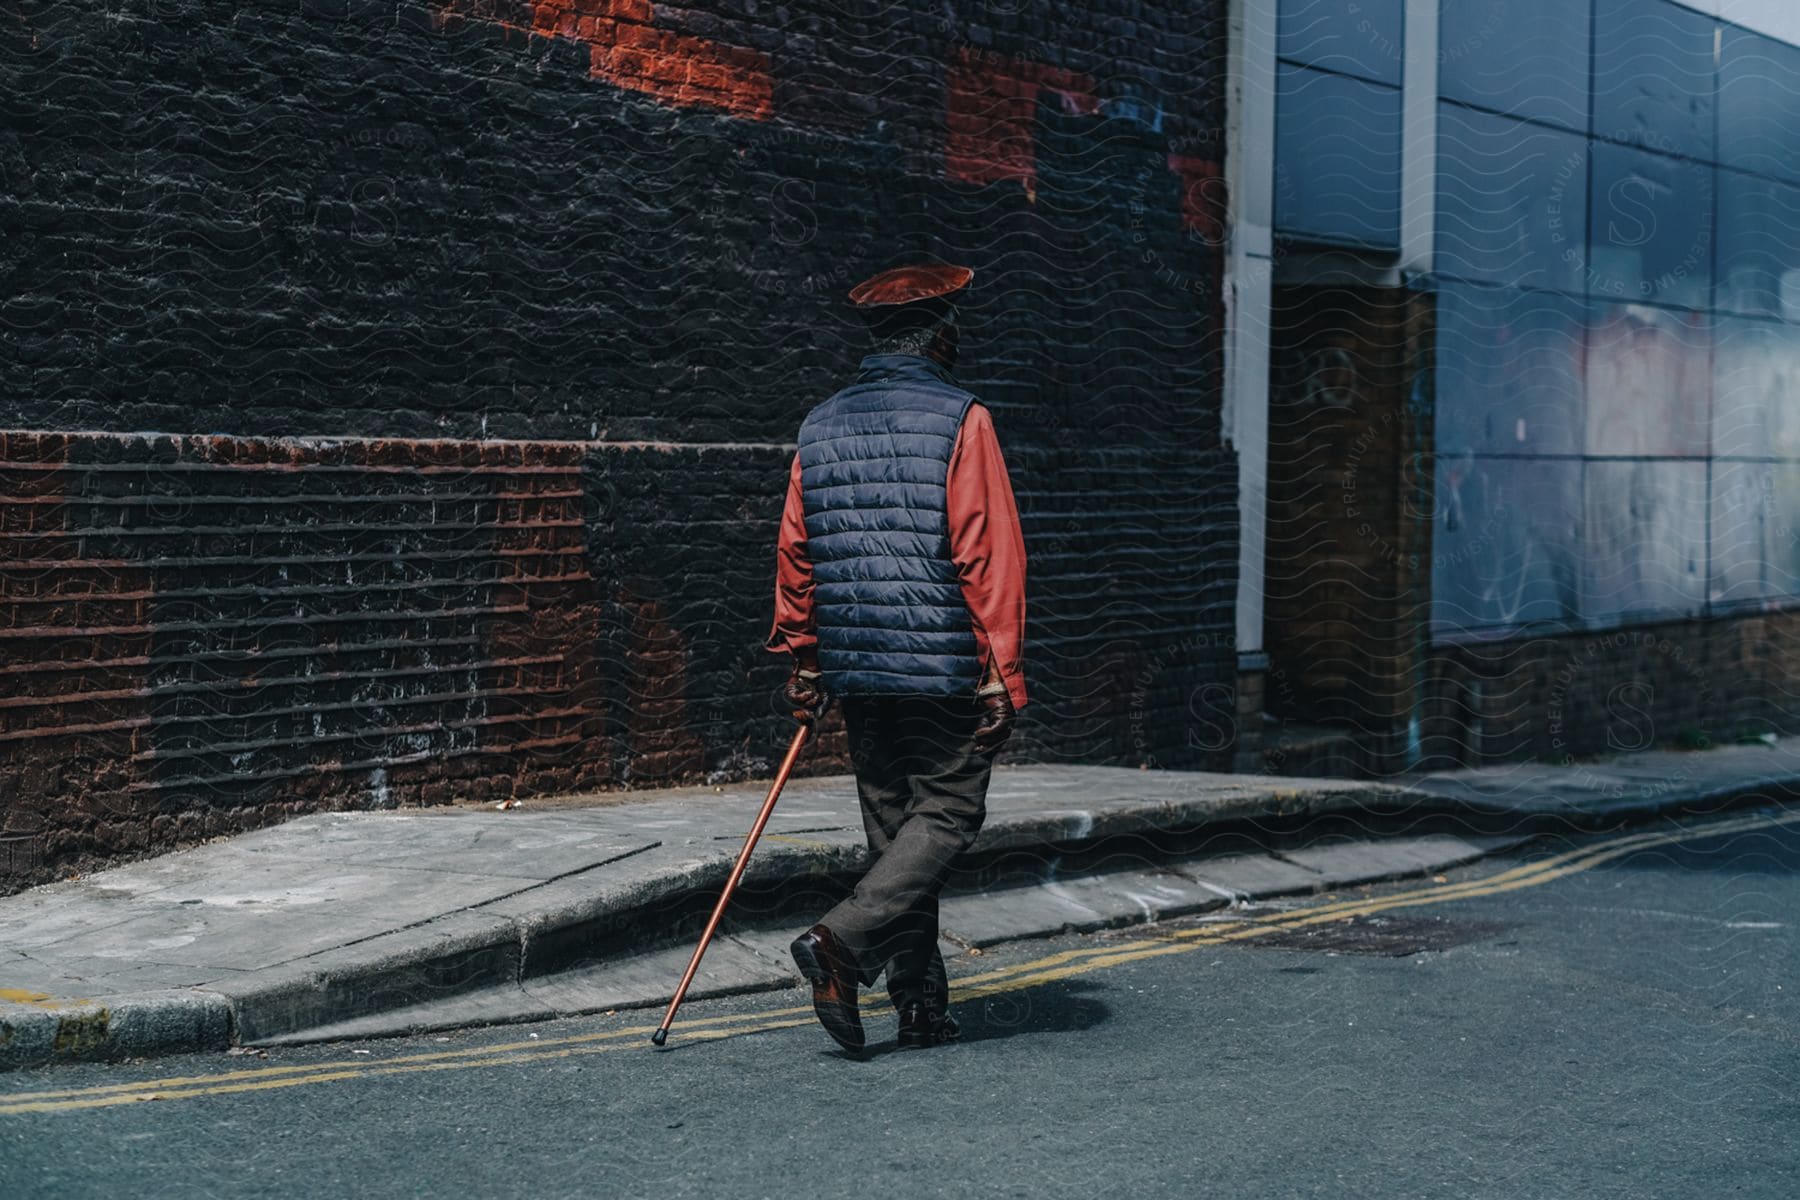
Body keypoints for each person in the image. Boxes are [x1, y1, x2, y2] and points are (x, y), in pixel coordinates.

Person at [765, 260, 1028, 1052]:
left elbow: (795, 554)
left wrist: (804, 660)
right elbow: (989, 553)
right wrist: (1002, 670)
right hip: (942, 665)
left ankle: (917, 1007)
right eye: (957, 326)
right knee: (949, 811)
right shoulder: (962, 417)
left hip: (856, 666)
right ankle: (839, 941)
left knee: (895, 836)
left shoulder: (820, 425)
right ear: (940, 335)